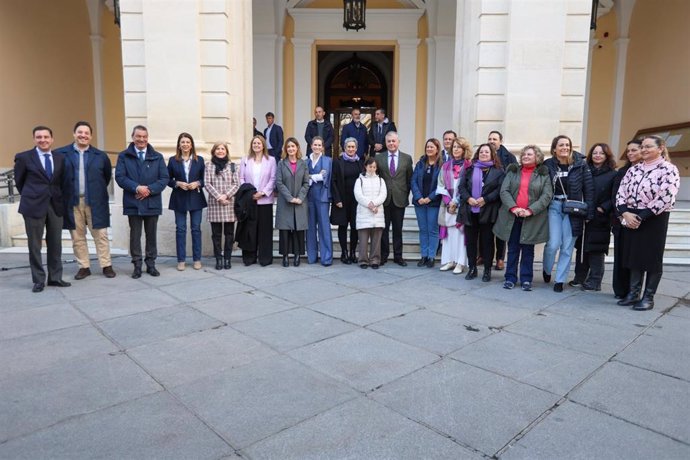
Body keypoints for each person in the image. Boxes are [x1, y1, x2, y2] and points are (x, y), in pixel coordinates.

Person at [615, 135, 679, 311]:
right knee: (634, 256)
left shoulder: (668, 169)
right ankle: (633, 293)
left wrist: (641, 216)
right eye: (642, 147)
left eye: (648, 146)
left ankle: (648, 297)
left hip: (654, 218)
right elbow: (621, 192)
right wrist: (625, 212)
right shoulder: (633, 170)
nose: (643, 150)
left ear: (660, 148)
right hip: (631, 216)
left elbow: (666, 196)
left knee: (651, 259)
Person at [14, 126, 72, 292]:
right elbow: (19, 182)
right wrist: (32, 195)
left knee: (56, 243)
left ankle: (55, 277)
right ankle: (39, 280)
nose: (43, 140)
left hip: (55, 205)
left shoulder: (60, 158)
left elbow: (61, 181)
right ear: (34, 139)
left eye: (46, 137)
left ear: (52, 139)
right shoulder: (24, 157)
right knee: (34, 244)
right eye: (39, 137)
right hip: (33, 206)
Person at [57, 121, 115, 280]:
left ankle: (106, 265)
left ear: (91, 136)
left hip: (95, 201)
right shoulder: (61, 154)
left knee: (101, 235)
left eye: (86, 133)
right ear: (74, 134)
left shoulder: (100, 156)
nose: (83, 135)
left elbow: (106, 177)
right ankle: (84, 267)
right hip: (72, 202)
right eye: (80, 132)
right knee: (77, 236)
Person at [493, 145, 553, 291]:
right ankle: (510, 278)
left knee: (528, 250)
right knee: (513, 248)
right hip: (513, 216)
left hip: (532, 217)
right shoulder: (513, 172)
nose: (525, 156)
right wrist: (514, 208)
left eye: (530, 154)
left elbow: (547, 196)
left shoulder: (543, 175)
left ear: (537, 157)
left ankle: (526, 279)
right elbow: (504, 191)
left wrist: (530, 210)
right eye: (524, 154)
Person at [115, 125, 169, 278]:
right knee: (135, 236)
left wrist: (149, 190)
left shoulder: (157, 156)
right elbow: (120, 177)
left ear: (147, 138)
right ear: (133, 137)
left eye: (144, 137)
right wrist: (137, 187)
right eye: (138, 136)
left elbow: (164, 178)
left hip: (152, 202)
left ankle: (151, 265)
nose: (141, 139)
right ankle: (137, 265)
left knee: (151, 235)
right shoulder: (124, 156)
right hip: (133, 202)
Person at [542, 135, 594, 292]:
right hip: (554, 206)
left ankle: (560, 280)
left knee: (567, 246)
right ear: (554, 149)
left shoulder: (580, 165)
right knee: (553, 243)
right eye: (561, 145)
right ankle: (546, 269)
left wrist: (589, 213)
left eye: (567, 145)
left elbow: (589, 189)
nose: (564, 147)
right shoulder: (548, 164)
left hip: (574, 209)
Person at [570, 143, 617, 291]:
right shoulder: (585, 170)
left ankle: (595, 281)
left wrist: (604, 207)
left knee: (597, 249)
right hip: (583, 214)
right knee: (582, 247)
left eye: (601, 153)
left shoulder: (613, 174)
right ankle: (579, 277)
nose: (598, 155)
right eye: (595, 153)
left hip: (600, 216)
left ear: (606, 156)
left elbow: (615, 195)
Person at [457, 143, 504, 282]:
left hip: (488, 211)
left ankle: (487, 270)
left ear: (492, 155)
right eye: (481, 152)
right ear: (478, 154)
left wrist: (486, 199)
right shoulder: (470, 169)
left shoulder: (499, 171)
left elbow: (499, 190)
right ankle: (472, 268)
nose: (484, 154)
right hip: (470, 210)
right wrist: (468, 198)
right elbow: (462, 186)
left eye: (487, 152)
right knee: (471, 242)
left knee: (487, 242)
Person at [167, 133, 207, 271]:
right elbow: (167, 179)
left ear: (191, 145)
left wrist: (198, 183)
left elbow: (205, 180)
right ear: (179, 144)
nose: (185, 144)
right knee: (181, 229)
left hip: (196, 198)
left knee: (196, 229)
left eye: (188, 142)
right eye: (182, 142)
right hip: (179, 198)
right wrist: (177, 183)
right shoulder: (173, 160)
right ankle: (181, 260)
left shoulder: (199, 160)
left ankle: (197, 259)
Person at [611, 139, 643, 299]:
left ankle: (634, 291)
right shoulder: (622, 172)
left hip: (641, 221)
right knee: (621, 256)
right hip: (621, 220)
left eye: (634, 150)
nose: (630, 153)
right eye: (628, 150)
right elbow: (615, 195)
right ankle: (621, 290)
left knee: (636, 257)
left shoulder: (650, 172)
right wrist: (621, 215)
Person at [376, 131, 413, 266]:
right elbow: (377, 179)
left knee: (398, 229)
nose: (391, 143)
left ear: (398, 142)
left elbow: (409, 179)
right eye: (389, 141)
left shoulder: (407, 158)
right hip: (384, 200)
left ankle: (398, 256)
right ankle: (383, 255)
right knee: (383, 229)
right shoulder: (379, 158)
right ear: (385, 143)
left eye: (393, 141)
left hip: (399, 199)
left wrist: (404, 194)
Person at [239, 135, 276, 266]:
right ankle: (249, 257)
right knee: (250, 230)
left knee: (264, 231)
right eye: (254, 143)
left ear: (263, 145)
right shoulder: (245, 160)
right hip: (250, 201)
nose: (256, 145)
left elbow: (273, 179)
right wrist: (250, 193)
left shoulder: (271, 160)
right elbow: (241, 178)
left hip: (265, 201)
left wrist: (263, 193)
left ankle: (265, 258)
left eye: (259, 143)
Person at [438, 137, 472, 274]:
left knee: (460, 234)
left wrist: (456, 201)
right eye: (454, 147)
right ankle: (449, 261)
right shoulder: (445, 166)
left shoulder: (469, 166)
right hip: (447, 206)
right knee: (449, 234)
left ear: (464, 150)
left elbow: (469, 186)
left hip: (462, 204)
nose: (456, 149)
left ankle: (460, 262)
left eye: (459, 147)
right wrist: (448, 201)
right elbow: (440, 185)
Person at [205, 142, 240, 270]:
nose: (220, 151)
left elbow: (236, 184)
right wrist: (219, 197)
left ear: (226, 151)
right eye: (218, 149)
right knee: (216, 234)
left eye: (223, 149)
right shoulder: (209, 166)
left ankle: (227, 258)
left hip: (229, 203)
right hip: (215, 204)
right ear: (214, 151)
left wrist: (226, 196)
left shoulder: (233, 166)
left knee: (229, 233)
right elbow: (207, 184)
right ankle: (218, 259)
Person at [275, 138, 309, 267]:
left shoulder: (303, 164)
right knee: (284, 230)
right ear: (286, 149)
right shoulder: (281, 164)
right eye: (288, 147)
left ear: (297, 148)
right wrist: (289, 197)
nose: (291, 149)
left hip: (300, 202)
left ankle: (297, 255)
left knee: (298, 229)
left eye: (293, 146)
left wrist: (300, 197)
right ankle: (285, 256)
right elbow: (279, 182)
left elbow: (306, 183)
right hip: (285, 202)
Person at [486, 130, 518, 271]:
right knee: (486, 229)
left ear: (501, 141)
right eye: (490, 138)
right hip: (487, 199)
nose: (492, 141)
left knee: (501, 230)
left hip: (502, 199)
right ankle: (484, 255)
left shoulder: (509, 157)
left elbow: (514, 177)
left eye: (495, 139)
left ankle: (500, 258)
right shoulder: (484, 153)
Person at [331, 137, 363, 264]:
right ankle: (344, 252)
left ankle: (352, 252)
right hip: (342, 200)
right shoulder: (337, 162)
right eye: (348, 147)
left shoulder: (360, 162)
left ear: (356, 148)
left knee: (355, 227)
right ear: (344, 148)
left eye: (353, 147)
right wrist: (336, 199)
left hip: (356, 201)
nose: (351, 149)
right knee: (342, 226)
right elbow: (333, 181)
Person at [411, 138, 443, 268]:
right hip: (420, 203)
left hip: (433, 203)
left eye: (432, 147)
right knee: (423, 230)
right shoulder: (420, 164)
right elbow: (413, 181)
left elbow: (442, 185)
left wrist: (429, 198)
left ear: (437, 149)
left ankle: (431, 257)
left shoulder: (441, 165)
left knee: (433, 230)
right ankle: (423, 256)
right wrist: (419, 197)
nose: (429, 149)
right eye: (427, 147)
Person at [354, 157, 387, 269]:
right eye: (370, 166)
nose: (372, 169)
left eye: (374, 167)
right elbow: (358, 195)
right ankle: (363, 260)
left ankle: (375, 260)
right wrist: (370, 205)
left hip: (377, 213)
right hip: (364, 212)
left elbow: (383, 195)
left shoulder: (381, 180)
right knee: (363, 239)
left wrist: (375, 204)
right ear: (366, 167)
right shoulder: (360, 180)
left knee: (376, 240)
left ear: (376, 168)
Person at [306, 136, 333, 266]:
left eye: (319, 145)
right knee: (310, 227)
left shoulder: (328, 160)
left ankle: (326, 257)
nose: (317, 147)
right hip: (309, 197)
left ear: (322, 147)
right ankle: (311, 256)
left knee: (324, 227)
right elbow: (304, 178)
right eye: (314, 145)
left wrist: (311, 177)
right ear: (311, 146)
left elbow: (325, 176)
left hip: (322, 197)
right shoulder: (306, 162)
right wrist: (315, 176)